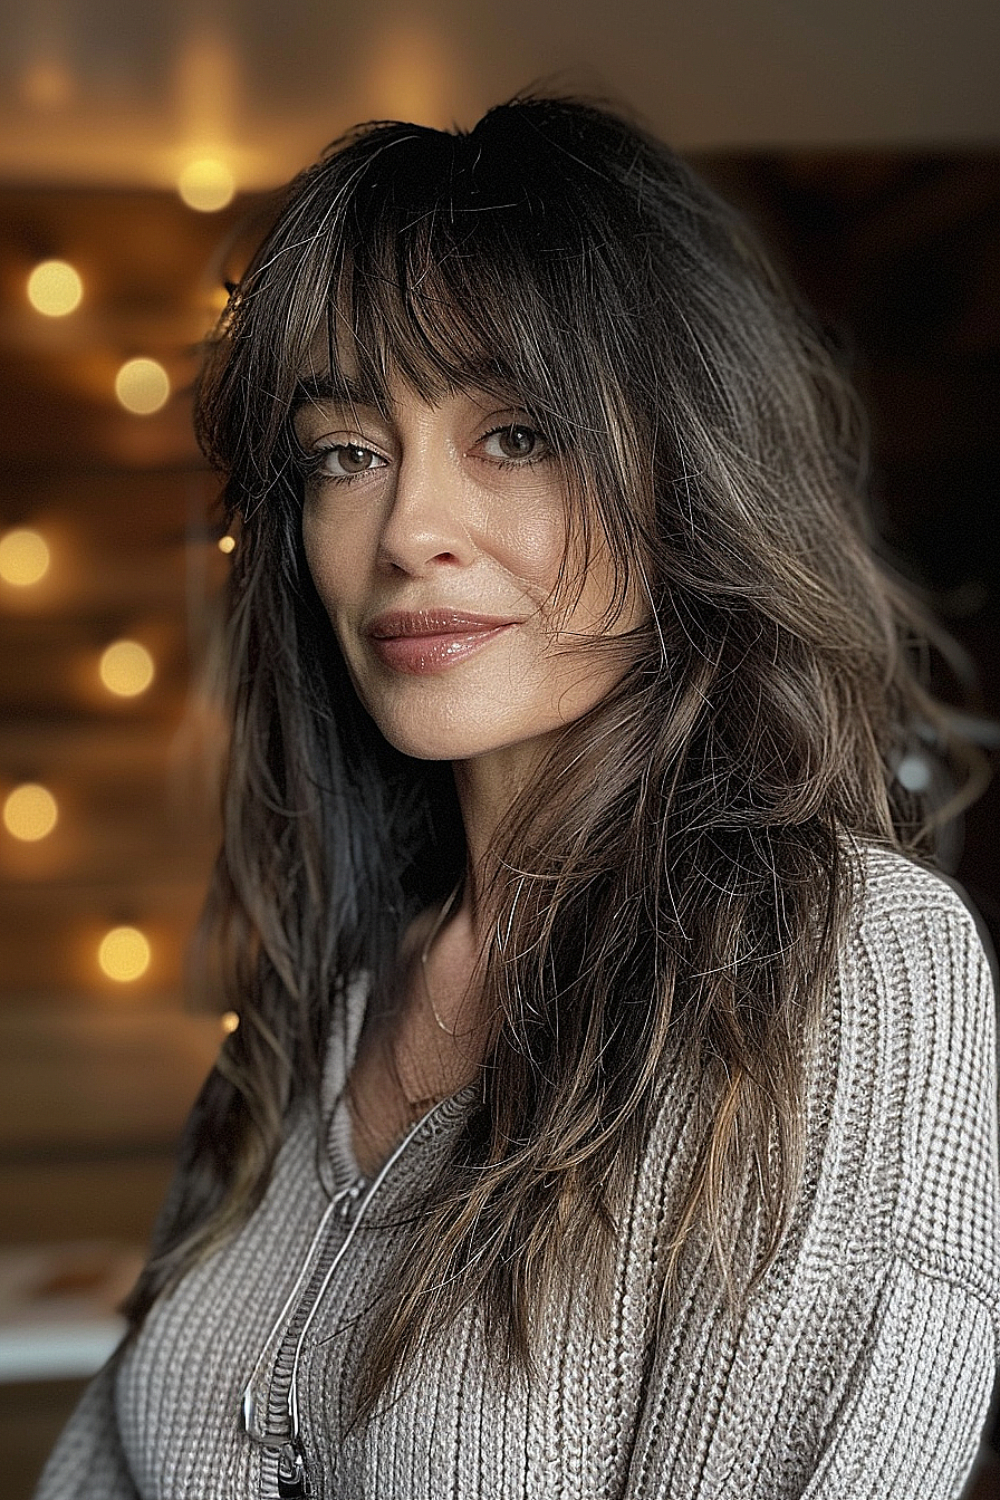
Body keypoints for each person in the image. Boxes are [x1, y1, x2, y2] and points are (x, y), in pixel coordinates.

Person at [35, 92, 999, 1500]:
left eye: (518, 433)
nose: (410, 529)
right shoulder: (320, 1006)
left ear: (684, 471)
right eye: (346, 454)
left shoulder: (843, 973)